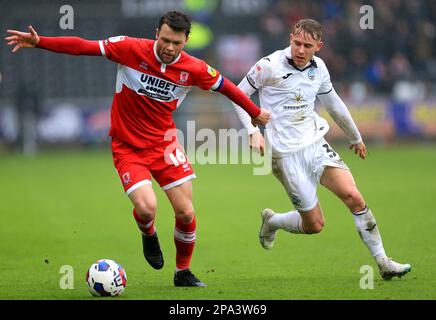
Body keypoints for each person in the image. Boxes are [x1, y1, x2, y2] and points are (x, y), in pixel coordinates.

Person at [6, 11, 271, 287]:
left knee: (186, 212)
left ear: (186, 41)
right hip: (128, 146)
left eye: (177, 43)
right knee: (147, 208)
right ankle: (149, 234)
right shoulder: (130, 49)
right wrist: (41, 42)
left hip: (165, 144)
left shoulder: (194, 68)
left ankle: (183, 272)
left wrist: (255, 113)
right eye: (166, 40)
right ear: (157, 33)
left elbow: (227, 87)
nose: (170, 48)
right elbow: (82, 46)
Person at [232, 18, 411, 280]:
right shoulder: (268, 66)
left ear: (319, 46)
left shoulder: (320, 68)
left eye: (307, 45)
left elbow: (334, 104)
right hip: (285, 155)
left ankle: (383, 262)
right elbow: (238, 95)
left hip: (315, 144)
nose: (300, 50)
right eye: (296, 43)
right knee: (314, 225)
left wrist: (355, 136)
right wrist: (252, 131)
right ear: (290, 38)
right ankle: (273, 221)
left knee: (354, 197)